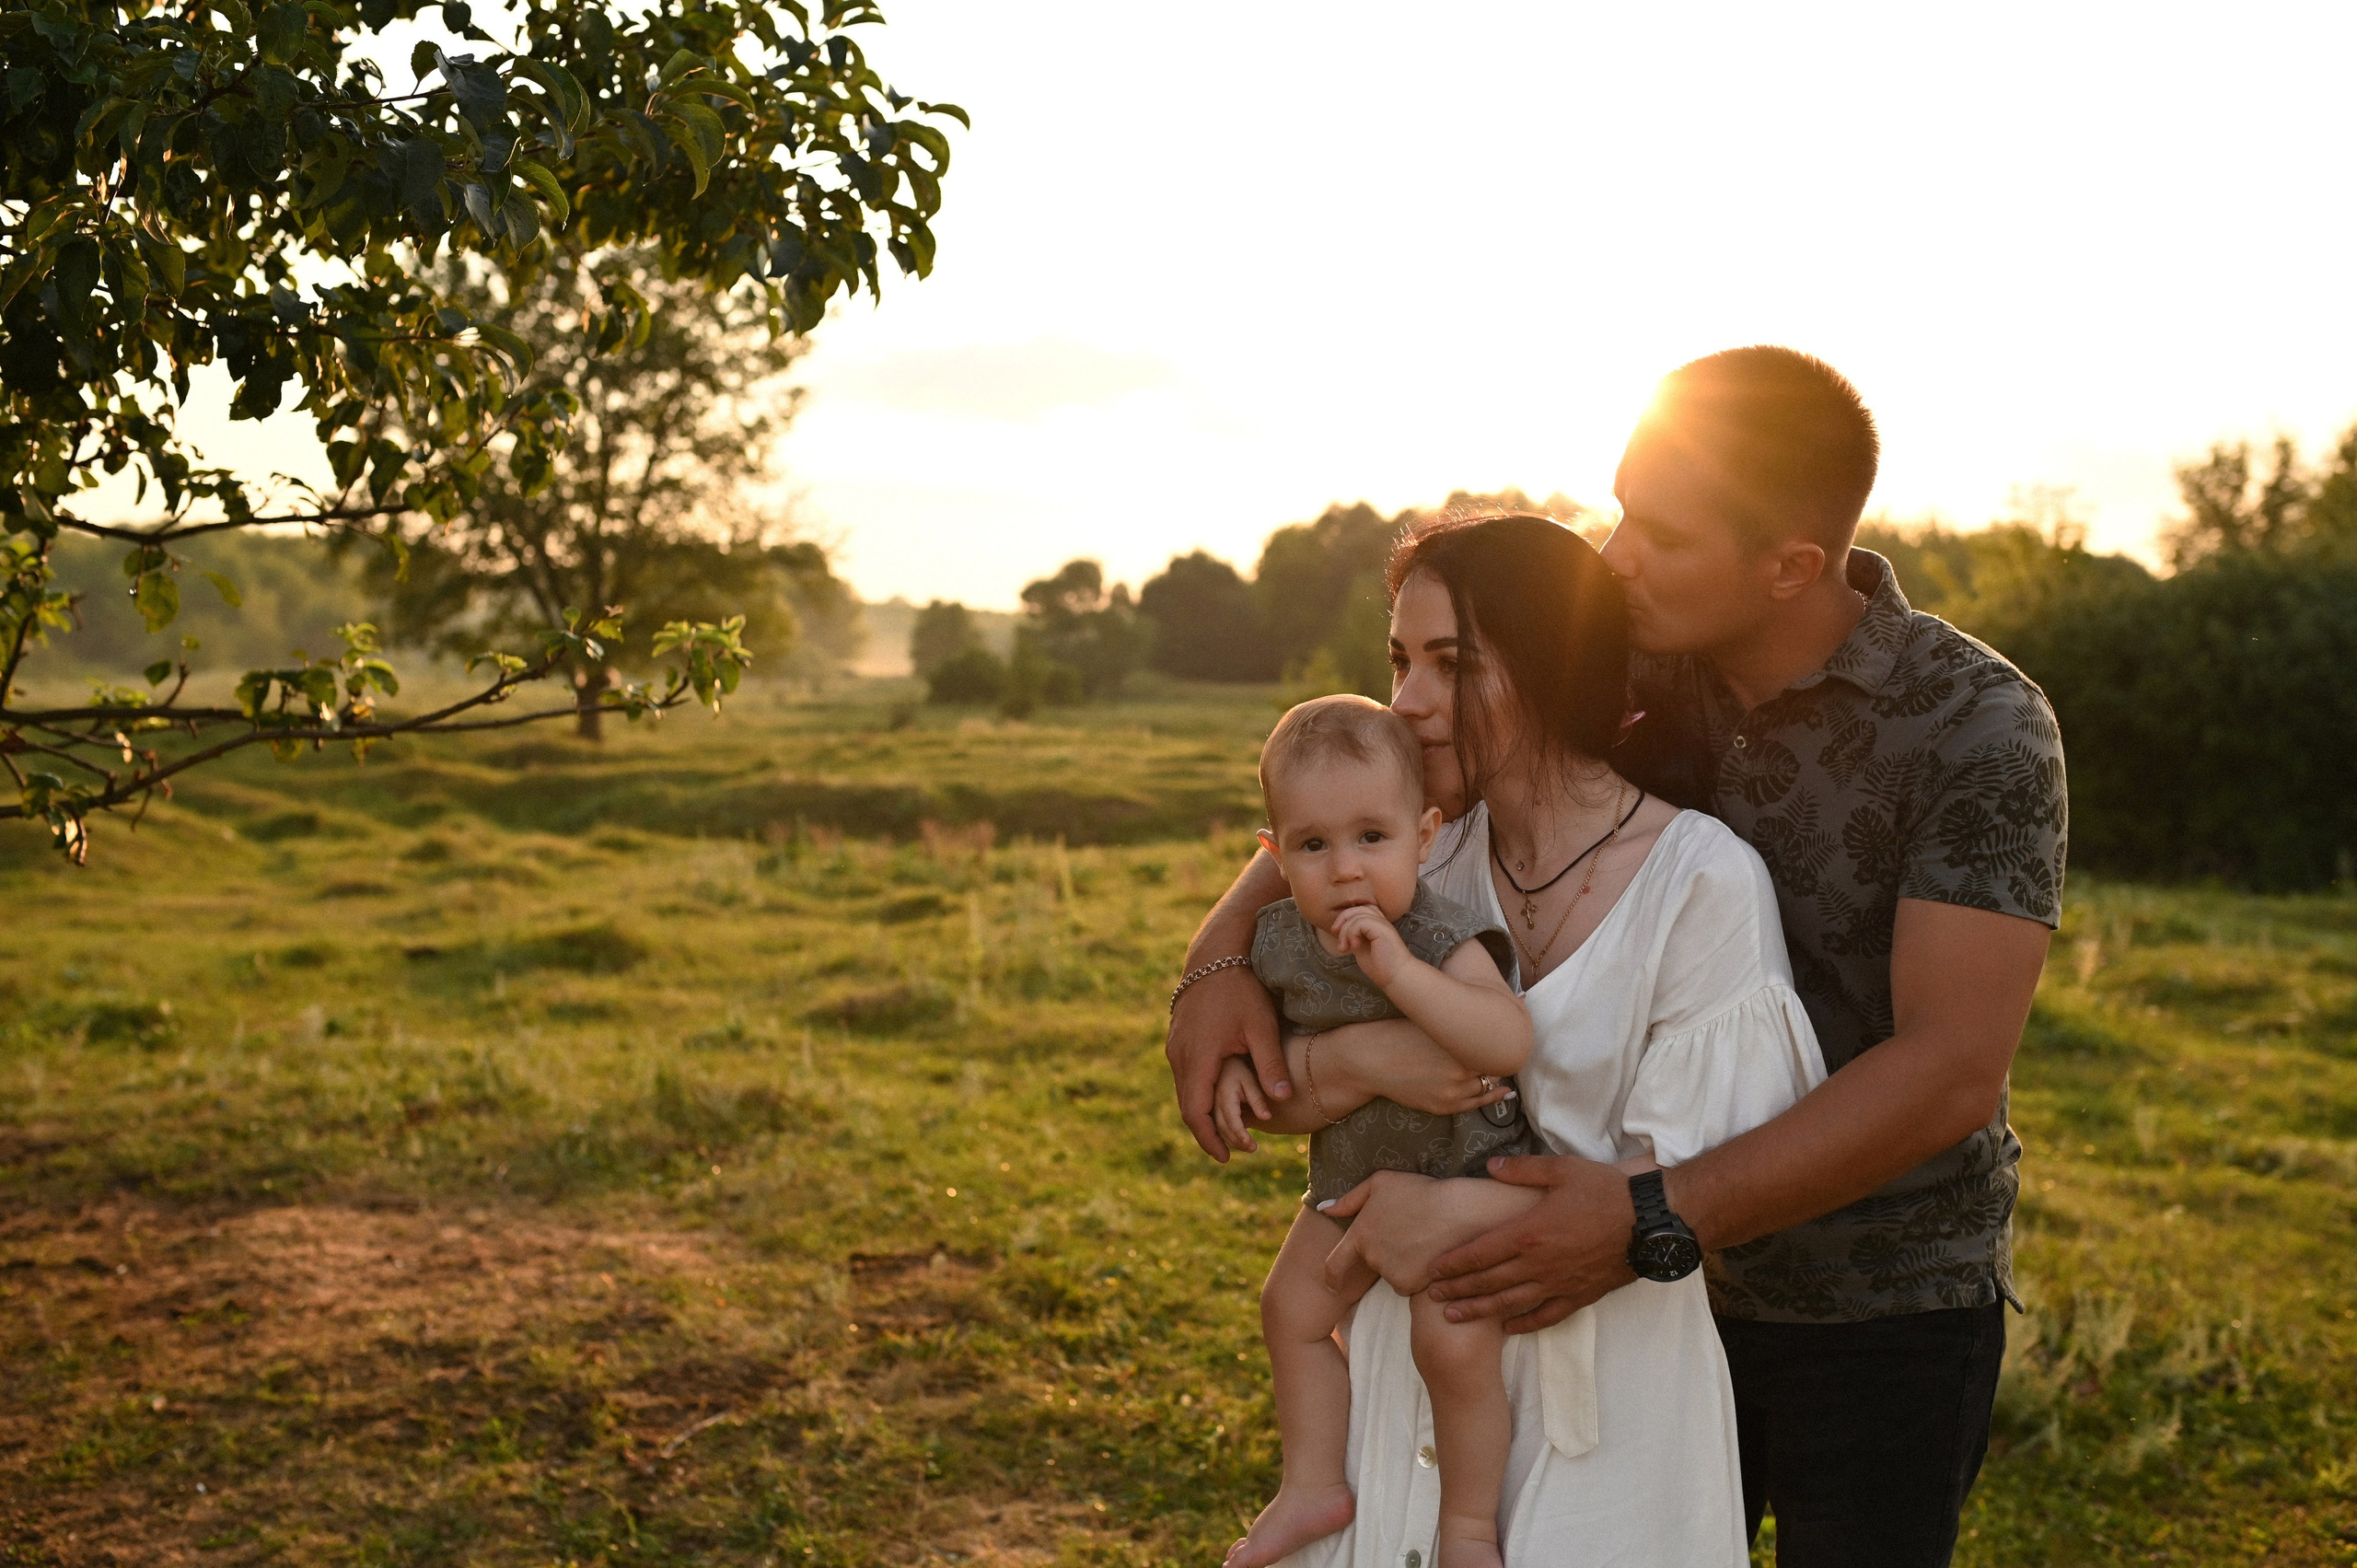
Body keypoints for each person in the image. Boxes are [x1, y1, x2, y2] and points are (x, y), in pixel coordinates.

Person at [1168, 348, 2066, 1567]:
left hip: (1871, 1291)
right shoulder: (1619, 647)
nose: (1619, 551)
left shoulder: (1977, 725)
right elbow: (1390, 767)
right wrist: (1218, 959)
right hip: (1614, 1294)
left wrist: (1641, 1216)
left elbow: (1951, 1068)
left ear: (1789, 565)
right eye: (1623, 506)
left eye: (1661, 530)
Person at [1190, 514, 1828, 1564]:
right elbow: (1291, 1075)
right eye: (1399, 660)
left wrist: (1448, 1207)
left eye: (1451, 662)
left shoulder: (1698, 881)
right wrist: (1342, 1061)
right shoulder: (1415, 864)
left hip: (1607, 1394)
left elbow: (1708, 1183)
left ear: (1549, 660)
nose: (1407, 701)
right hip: (1407, 1378)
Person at [1206, 692, 1545, 1568]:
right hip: (1353, 1182)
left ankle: (1468, 1528)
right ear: (1276, 854)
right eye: (1314, 846)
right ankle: (1313, 1481)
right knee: (1289, 1305)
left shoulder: (1435, 935)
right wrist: (1250, 1075)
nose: (1346, 869)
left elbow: (1507, 1039)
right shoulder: (1279, 942)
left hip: (1463, 1184)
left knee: (1452, 1343)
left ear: (1424, 838)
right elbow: (1278, 1055)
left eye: (1372, 837)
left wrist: (1399, 973)